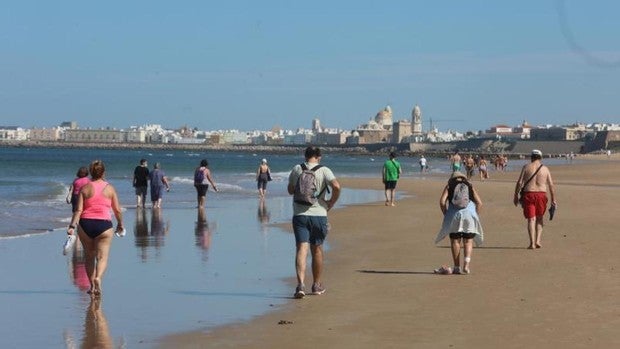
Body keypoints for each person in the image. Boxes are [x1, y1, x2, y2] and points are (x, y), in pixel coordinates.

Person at [287, 146, 341, 298]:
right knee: (317, 249)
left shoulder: (297, 168)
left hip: (300, 215)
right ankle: (316, 285)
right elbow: (336, 186)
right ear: (319, 156)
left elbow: (290, 190)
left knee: (301, 249)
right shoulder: (324, 170)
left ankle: (300, 285)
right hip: (319, 214)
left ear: (305, 156)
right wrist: (331, 202)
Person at [67, 160, 123, 296]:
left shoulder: (85, 188)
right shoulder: (110, 188)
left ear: (91, 172)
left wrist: (72, 226)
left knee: (89, 257)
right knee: (102, 257)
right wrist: (120, 224)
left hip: (85, 224)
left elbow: (78, 210)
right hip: (104, 225)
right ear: (103, 172)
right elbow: (117, 210)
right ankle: (98, 278)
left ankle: (92, 286)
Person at [434, 171, 484, 274]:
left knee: (455, 241)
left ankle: (457, 267)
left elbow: (442, 201)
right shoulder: (469, 186)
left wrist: (446, 213)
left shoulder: (449, 186)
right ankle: (466, 265)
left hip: (454, 214)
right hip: (469, 214)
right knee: (468, 241)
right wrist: (475, 216)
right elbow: (479, 203)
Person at [513, 149, 557, 249]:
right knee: (540, 217)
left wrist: (515, 196)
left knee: (531, 219)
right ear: (541, 158)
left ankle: (532, 243)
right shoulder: (545, 169)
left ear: (531, 157)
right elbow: (551, 185)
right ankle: (538, 241)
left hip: (529, 194)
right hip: (541, 194)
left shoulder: (526, 167)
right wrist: (553, 199)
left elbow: (520, 183)